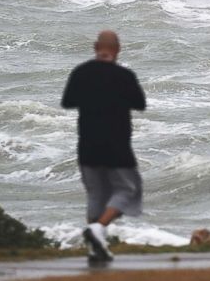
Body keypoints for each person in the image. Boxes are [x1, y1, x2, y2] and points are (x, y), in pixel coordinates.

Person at [62, 30, 147, 263]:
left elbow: (68, 102)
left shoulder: (81, 72)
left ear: (95, 46)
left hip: (87, 144)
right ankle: (99, 229)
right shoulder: (124, 76)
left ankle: (95, 249)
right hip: (117, 145)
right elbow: (140, 104)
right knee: (128, 190)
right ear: (118, 49)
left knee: (95, 195)